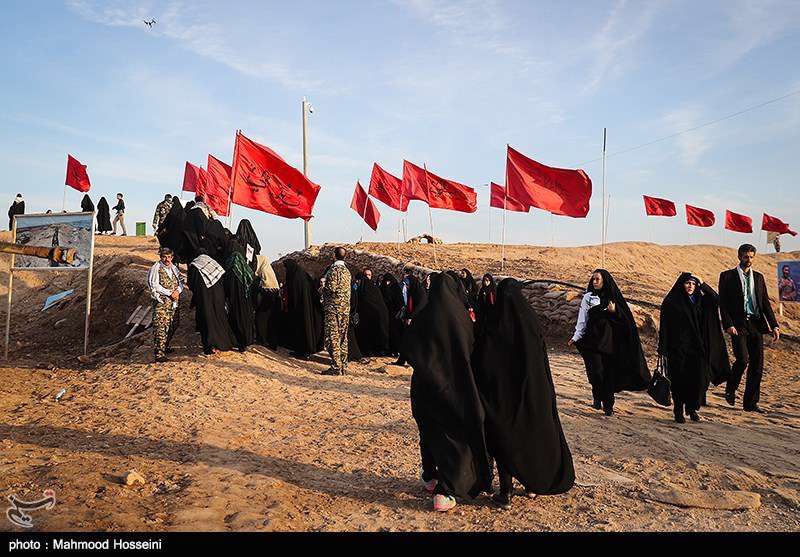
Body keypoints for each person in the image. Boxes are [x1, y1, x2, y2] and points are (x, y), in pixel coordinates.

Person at [473, 278, 575, 508]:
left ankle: (506, 492)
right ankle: (531, 485)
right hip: (531, 396)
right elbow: (541, 364)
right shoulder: (530, 323)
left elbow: (483, 362)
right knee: (530, 439)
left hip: (501, 399)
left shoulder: (495, 326)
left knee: (503, 441)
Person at [403, 272, 492, 512]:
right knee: (454, 438)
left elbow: (408, 349)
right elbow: (471, 350)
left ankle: (430, 477)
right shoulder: (460, 319)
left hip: (424, 388)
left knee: (429, 433)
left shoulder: (423, 316)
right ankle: (446, 489)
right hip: (454, 387)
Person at [569, 269, 650, 416]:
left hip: (610, 343)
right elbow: (583, 318)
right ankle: (597, 395)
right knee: (596, 372)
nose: (594, 282)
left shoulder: (613, 298)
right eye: (593, 279)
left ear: (604, 281)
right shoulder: (588, 297)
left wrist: (615, 311)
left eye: (597, 279)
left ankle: (608, 405)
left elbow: (626, 320)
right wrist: (576, 337)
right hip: (592, 341)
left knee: (608, 374)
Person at [658, 274, 730, 423]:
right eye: (687, 283)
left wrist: (702, 283)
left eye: (693, 283)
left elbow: (716, 299)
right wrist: (662, 349)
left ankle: (691, 409)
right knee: (679, 380)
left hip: (698, 348)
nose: (690, 286)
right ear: (681, 284)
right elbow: (664, 326)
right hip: (677, 348)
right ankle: (678, 410)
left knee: (699, 379)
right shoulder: (671, 302)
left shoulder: (701, 300)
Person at [719, 244, 780, 413]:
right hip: (738, 325)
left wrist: (774, 325)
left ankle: (750, 404)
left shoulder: (759, 277)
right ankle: (731, 387)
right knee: (743, 360)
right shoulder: (727, 276)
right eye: (746, 257)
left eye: (751, 257)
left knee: (757, 365)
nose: (749, 260)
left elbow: (765, 303)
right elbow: (723, 304)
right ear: (739, 256)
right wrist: (728, 324)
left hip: (756, 324)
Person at [187, 249, 236, 355]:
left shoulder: (194, 265)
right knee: (220, 318)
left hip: (204, 299)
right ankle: (223, 344)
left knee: (207, 321)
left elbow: (191, 284)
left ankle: (210, 347)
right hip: (219, 297)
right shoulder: (214, 264)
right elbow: (223, 281)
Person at [282, 259, 324, 359]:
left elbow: (294, 295)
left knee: (302, 329)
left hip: (300, 309)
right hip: (306, 308)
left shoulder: (296, 277)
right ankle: (303, 349)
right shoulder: (302, 275)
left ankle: (303, 351)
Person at [148, 247, 184, 362]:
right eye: (164, 257)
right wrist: (169, 293)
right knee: (161, 327)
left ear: (172, 257)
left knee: (174, 324)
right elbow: (154, 285)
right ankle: (159, 354)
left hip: (174, 302)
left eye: (169, 257)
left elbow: (181, 282)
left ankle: (165, 346)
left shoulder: (174, 268)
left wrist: (177, 291)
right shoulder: (156, 268)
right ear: (161, 257)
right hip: (162, 302)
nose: (167, 259)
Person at [321, 247, 352, 376]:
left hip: (333, 308)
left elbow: (331, 289)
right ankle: (343, 365)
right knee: (343, 337)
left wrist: (322, 288)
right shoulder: (347, 271)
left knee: (332, 336)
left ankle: (336, 366)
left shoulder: (334, 270)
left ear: (334, 255)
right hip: (345, 309)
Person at [222, 237, 256, 351]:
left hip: (234, 297)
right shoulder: (244, 265)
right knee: (245, 318)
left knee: (236, 318)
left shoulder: (230, 263)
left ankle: (239, 342)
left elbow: (227, 281)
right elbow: (251, 278)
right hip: (245, 298)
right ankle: (246, 340)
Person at [393, 272, 428, 366]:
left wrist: (411, 317)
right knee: (406, 340)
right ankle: (402, 360)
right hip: (411, 320)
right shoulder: (412, 291)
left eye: (407, 284)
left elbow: (420, 306)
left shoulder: (420, 292)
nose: (407, 286)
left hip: (418, 320)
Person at [352, 271, 390, 356]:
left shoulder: (371, 289)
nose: (357, 282)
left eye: (358, 280)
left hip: (376, 316)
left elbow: (371, 303)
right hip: (369, 317)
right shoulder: (362, 289)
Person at [253, 255, 281, 350]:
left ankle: (263, 340)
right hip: (270, 300)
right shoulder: (268, 274)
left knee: (261, 319)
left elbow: (265, 288)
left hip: (268, 301)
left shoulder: (266, 277)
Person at [379, 273, 405, 357]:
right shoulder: (382, 288)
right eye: (386, 281)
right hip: (385, 314)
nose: (387, 283)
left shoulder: (396, 288)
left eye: (389, 281)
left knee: (395, 333)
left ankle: (396, 350)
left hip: (395, 315)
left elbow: (400, 301)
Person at [156, 197, 186, 262]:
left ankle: (173, 261)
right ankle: (177, 261)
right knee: (178, 249)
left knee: (171, 248)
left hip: (171, 235)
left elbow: (165, 223)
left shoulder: (171, 213)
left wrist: (159, 230)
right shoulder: (183, 214)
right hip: (181, 236)